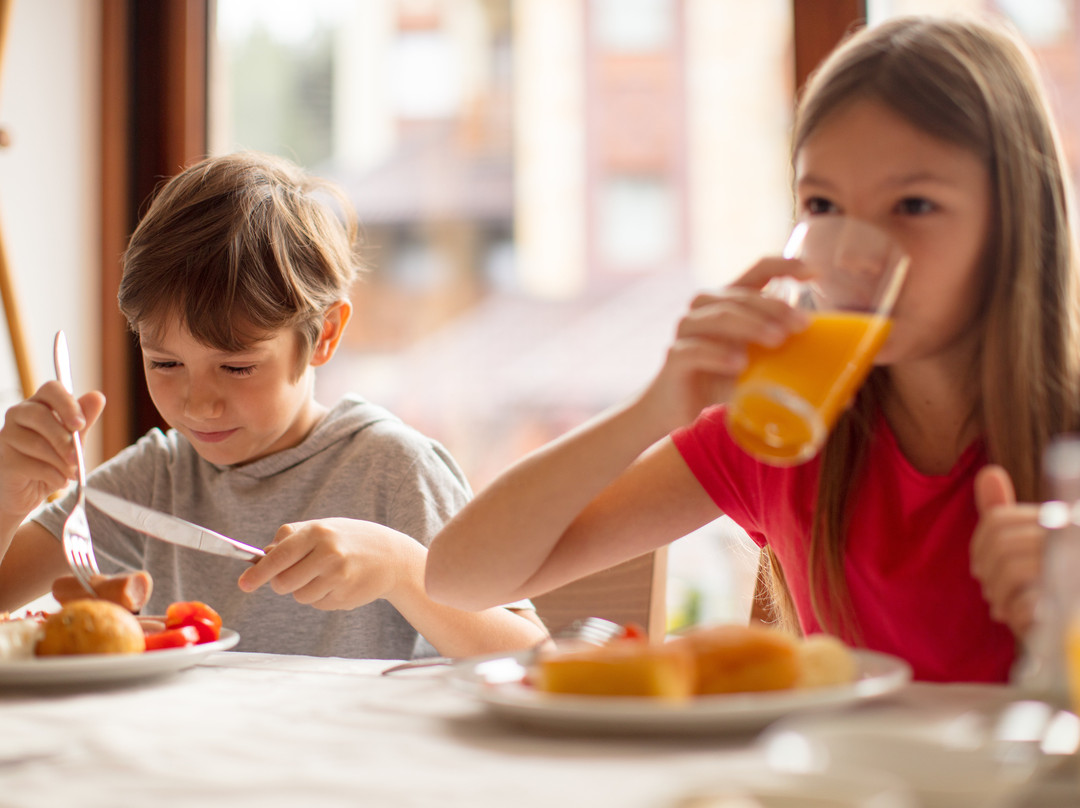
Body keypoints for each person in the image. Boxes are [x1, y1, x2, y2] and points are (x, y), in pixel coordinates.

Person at [425, 14, 1080, 683]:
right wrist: (655, 409)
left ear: (1015, 218)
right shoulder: (787, 435)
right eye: (823, 206)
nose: (854, 253)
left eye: (912, 205)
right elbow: (458, 576)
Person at [0, 151, 546, 659]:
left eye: (237, 367)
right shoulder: (157, 479)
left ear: (326, 334)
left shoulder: (394, 472)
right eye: (164, 364)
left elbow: (529, 655)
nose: (198, 405)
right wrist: (8, 497)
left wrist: (404, 571)